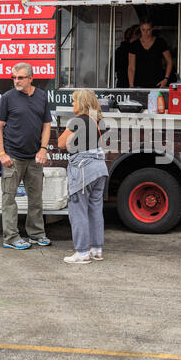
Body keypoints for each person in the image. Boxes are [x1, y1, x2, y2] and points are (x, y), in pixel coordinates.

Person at [0, 62, 52, 250]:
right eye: (14, 77)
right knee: (9, 198)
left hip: (34, 156)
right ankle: (10, 238)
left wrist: (43, 149)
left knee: (36, 198)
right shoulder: (8, 98)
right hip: (12, 156)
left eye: (20, 77)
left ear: (30, 78)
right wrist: (2, 153)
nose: (16, 81)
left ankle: (36, 234)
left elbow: (46, 125)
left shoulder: (41, 96)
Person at [58, 89, 108, 265]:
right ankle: (96, 249)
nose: (72, 104)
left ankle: (82, 252)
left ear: (82, 103)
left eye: (74, 101)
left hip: (83, 169)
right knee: (95, 209)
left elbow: (61, 143)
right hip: (100, 168)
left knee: (78, 211)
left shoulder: (78, 120)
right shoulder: (97, 121)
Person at [128, 18, 173, 88]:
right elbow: (131, 67)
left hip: (158, 83)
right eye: (143, 29)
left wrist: (166, 79)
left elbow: (169, 61)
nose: (146, 32)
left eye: (148, 29)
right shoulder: (134, 45)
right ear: (140, 29)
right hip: (139, 84)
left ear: (152, 29)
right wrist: (131, 85)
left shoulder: (160, 42)